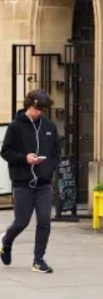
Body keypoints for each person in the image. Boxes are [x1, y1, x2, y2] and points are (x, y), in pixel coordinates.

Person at [0, 90, 59, 273]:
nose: (39, 113)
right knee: (22, 221)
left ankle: (38, 260)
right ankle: (6, 241)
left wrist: (48, 169)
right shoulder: (15, 126)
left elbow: (56, 153)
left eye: (42, 110)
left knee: (44, 221)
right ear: (29, 105)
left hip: (43, 183)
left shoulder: (49, 126)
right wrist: (24, 158)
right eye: (37, 109)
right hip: (22, 182)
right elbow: (5, 152)